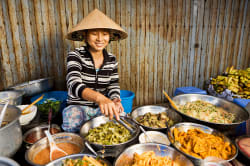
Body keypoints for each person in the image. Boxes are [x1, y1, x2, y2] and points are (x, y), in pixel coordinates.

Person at [62, 9, 128, 132]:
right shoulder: (75, 55)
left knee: (122, 120)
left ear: (110, 36)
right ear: (85, 36)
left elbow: (113, 85)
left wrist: (115, 99)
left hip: (100, 108)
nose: (100, 39)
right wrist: (100, 98)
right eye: (94, 33)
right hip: (78, 107)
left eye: (104, 34)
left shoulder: (112, 59)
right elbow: (73, 84)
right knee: (72, 121)